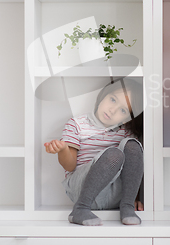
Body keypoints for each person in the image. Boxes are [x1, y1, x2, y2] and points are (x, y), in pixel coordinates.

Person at [44, 78, 144, 226]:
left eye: (123, 110)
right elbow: (69, 166)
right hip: (81, 190)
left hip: (113, 194)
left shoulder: (125, 134)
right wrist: (63, 149)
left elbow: (133, 170)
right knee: (114, 154)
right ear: (103, 95)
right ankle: (80, 209)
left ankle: (127, 206)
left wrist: (135, 197)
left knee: (133, 146)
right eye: (112, 100)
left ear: (127, 119)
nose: (112, 109)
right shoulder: (77, 124)